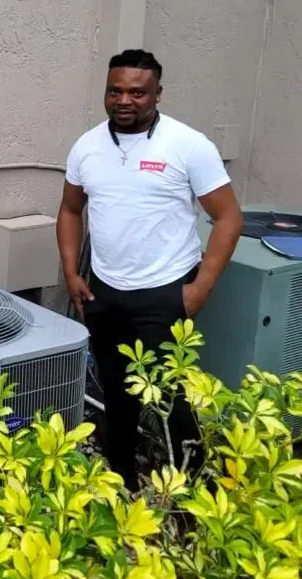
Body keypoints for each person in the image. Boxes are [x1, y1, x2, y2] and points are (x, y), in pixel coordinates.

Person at [56, 49, 242, 491]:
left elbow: (229, 218)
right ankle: (123, 482)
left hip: (165, 295)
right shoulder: (88, 146)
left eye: (137, 92)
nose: (125, 100)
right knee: (117, 395)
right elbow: (69, 210)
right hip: (103, 293)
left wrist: (201, 288)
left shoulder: (188, 145)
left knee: (172, 400)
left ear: (158, 93)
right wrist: (71, 273)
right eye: (115, 90)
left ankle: (196, 494)